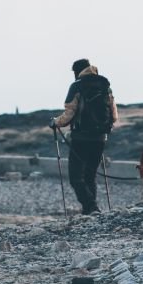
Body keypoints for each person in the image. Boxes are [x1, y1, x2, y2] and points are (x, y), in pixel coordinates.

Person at [49, 59, 118, 215]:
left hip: (81, 139)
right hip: (100, 139)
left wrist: (55, 122)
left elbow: (68, 115)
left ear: (76, 71)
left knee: (75, 178)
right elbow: (114, 115)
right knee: (90, 176)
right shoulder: (104, 85)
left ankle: (91, 207)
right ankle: (89, 211)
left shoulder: (77, 86)